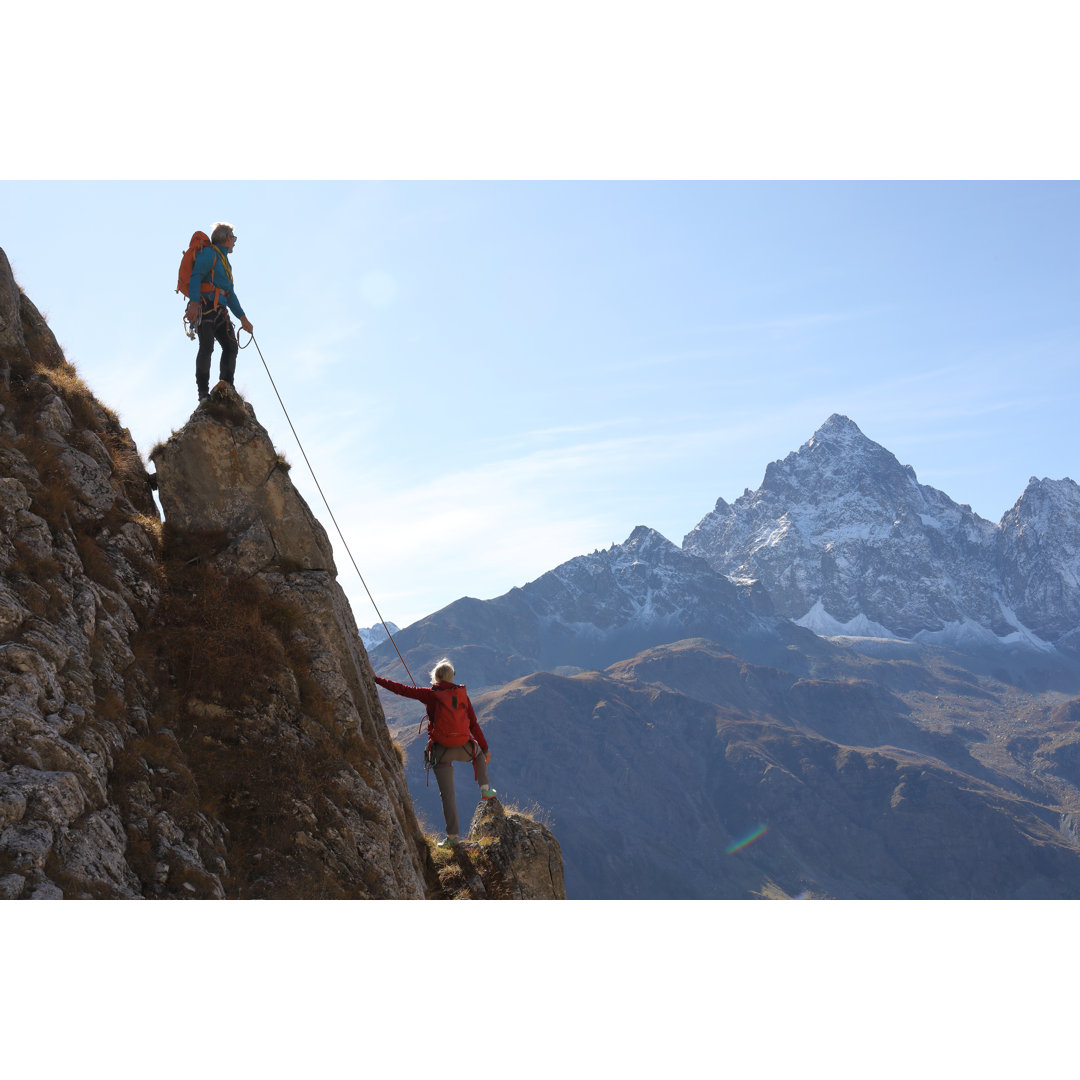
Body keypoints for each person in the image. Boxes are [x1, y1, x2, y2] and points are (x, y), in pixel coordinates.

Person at [374, 658, 497, 848]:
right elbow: (473, 724)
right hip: (464, 747)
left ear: (435, 677)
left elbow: (401, 689)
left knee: (447, 794)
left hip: (441, 750)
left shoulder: (430, 694)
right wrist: (486, 749)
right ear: (451, 677)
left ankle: (453, 837)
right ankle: (485, 789)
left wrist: (376, 679)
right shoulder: (462, 695)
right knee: (479, 752)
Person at [185, 222, 254, 401]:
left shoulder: (225, 263)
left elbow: (229, 294)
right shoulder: (209, 254)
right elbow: (196, 277)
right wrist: (193, 303)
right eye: (234, 238)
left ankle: (226, 388)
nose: (235, 242)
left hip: (220, 310)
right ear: (226, 238)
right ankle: (203, 393)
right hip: (205, 307)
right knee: (207, 347)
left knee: (231, 347)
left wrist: (243, 319)